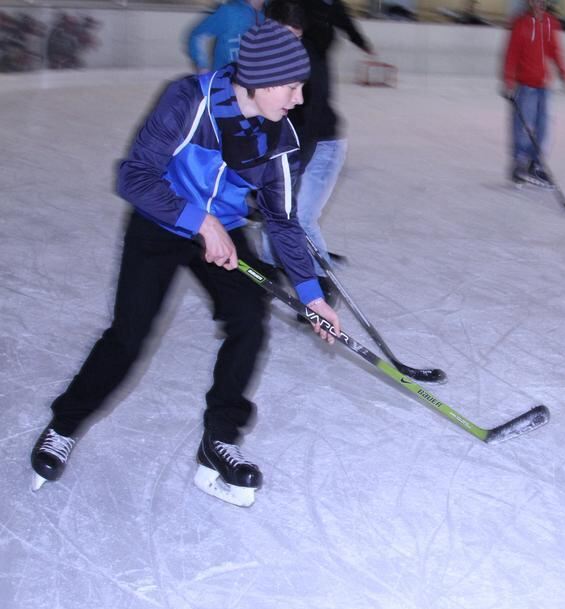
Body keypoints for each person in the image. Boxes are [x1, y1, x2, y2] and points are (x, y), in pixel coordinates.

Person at [29, 20, 340, 507]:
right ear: (258, 80)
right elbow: (134, 175)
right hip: (162, 218)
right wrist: (199, 220)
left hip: (223, 231)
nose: (298, 99)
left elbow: (282, 222)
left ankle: (220, 440)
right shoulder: (189, 101)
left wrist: (313, 295)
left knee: (248, 321)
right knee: (128, 335)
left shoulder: (280, 137)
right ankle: (64, 424)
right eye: (292, 87)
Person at [260, 0, 374, 291]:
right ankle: (269, 270)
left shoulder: (307, 60)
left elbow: (311, 119)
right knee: (273, 210)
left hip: (322, 144)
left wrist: (288, 170)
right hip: (294, 141)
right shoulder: (271, 56)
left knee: (300, 216)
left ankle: (320, 287)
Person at [501, 0, 565, 188]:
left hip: (544, 85)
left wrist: (564, 73)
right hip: (525, 85)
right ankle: (519, 163)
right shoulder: (520, 23)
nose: (540, 4)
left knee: (544, 127)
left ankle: (536, 164)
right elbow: (511, 54)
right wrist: (508, 80)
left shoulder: (551, 22)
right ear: (530, 2)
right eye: (536, 0)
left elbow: (555, 51)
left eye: (543, 1)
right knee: (523, 125)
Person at [187, 0, 265, 73]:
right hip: (225, 82)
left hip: (257, 81)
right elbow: (197, 36)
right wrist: (202, 67)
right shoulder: (229, 12)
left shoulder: (270, 14)